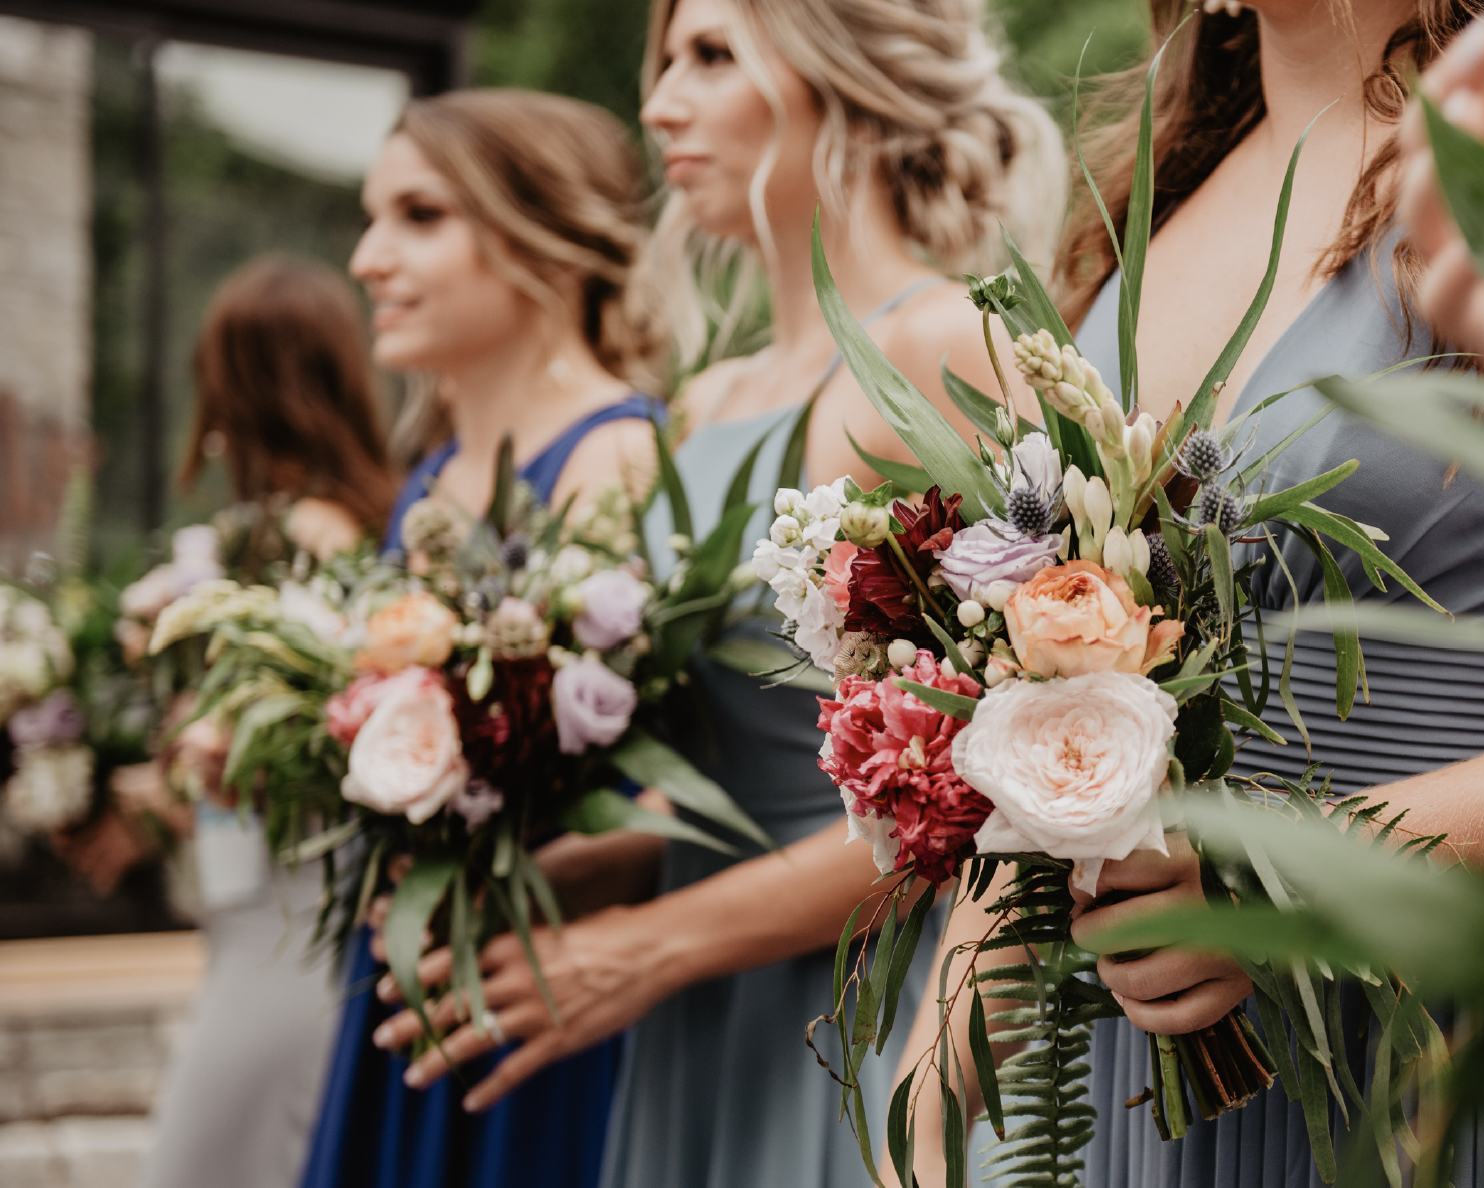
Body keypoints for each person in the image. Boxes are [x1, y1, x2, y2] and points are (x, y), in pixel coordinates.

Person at [903, 1, 1484, 1185]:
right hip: (1149, 1116)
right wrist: (926, 1117)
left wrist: (1292, 870)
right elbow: (1037, 732)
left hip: (1463, 1063)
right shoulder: (1149, 208)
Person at [361, 2, 1065, 1186]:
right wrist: (574, 871)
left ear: (842, 75)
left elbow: (1004, 793)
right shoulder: (704, 401)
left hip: (864, 1013)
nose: (658, 105)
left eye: (711, 56)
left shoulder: (944, 349)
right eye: (662, 61)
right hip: (694, 1018)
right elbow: (730, 760)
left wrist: (646, 945)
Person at [298, 88, 665, 1188]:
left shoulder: (621, 459)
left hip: (539, 1003)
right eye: (372, 216)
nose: (368, 258)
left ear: (545, 239)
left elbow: (669, 796)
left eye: (418, 216)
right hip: (407, 977)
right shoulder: (428, 479)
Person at [133, 254, 399, 1188]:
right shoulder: (314, 525)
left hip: (293, 908)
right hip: (260, 903)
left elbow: (295, 739)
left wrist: (182, 764)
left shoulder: (312, 538)